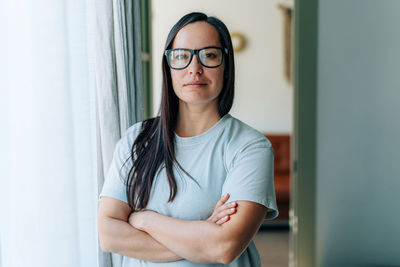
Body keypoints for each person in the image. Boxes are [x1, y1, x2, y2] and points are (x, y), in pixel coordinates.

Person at [98, 12, 278, 266]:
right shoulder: (136, 139)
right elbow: (108, 234)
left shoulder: (250, 147)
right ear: (168, 67)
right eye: (181, 56)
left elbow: (223, 248)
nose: (195, 68)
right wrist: (202, 234)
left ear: (226, 66)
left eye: (209, 55)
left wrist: (143, 220)